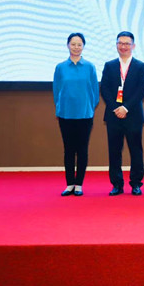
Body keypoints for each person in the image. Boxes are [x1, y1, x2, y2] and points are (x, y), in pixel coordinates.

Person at [101, 31, 144, 196]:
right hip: (113, 115)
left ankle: (136, 183)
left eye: (127, 43)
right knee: (114, 151)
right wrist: (116, 108)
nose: (123, 46)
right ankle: (117, 184)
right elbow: (104, 88)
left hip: (133, 114)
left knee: (136, 150)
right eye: (120, 43)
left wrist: (126, 108)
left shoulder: (141, 66)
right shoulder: (109, 65)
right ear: (116, 45)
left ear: (133, 46)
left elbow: (142, 89)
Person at [53, 33, 100, 196]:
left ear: (83, 46)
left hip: (85, 114)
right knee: (68, 150)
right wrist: (60, 107)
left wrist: (88, 107)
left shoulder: (90, 67)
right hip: (65, 114)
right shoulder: (60, 67)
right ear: (68, 45)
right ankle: (69, 184)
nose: (76, 47)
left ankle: (79, 184)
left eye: (79, 44)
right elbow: (56, 90)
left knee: (82, 149)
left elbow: (95, 92)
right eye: (73, 44)